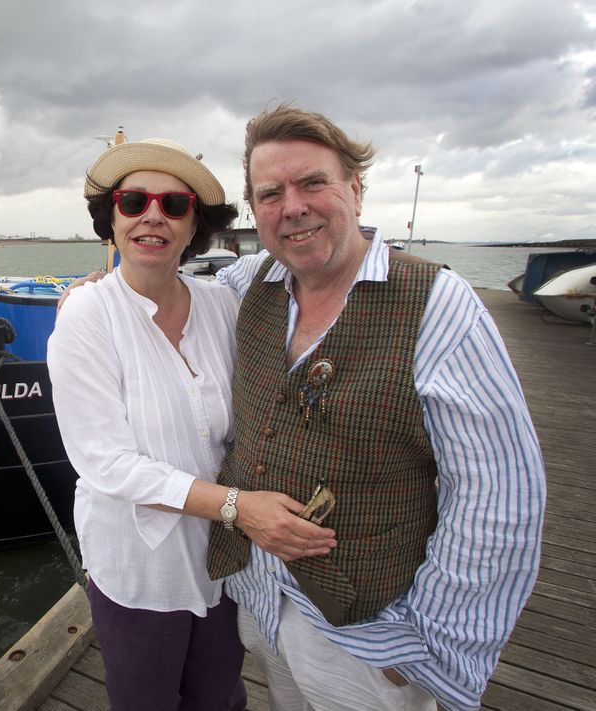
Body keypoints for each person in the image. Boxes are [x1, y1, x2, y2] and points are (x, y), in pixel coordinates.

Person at [206, 104, 546, 711]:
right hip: (259, 598)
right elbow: (174, 302)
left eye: (313, 182)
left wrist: (424, 644)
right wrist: (107, 295)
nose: (293, 206)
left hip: (372, 637)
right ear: (255, 212)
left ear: (355, 190)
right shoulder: (245, 283)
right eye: (270, 194)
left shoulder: (438, 306)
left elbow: (500, 499)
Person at [48, 137, 331, 710]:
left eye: (174, 206)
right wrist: (236, 506)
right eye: (134, 202)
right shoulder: (87, 313)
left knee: (220, 697)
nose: (153, 216)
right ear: (113, 219)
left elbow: (306, 255)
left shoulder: (223, 304)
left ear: (193, 226)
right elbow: (105, 461)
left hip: (224, 563)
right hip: (140, 568)